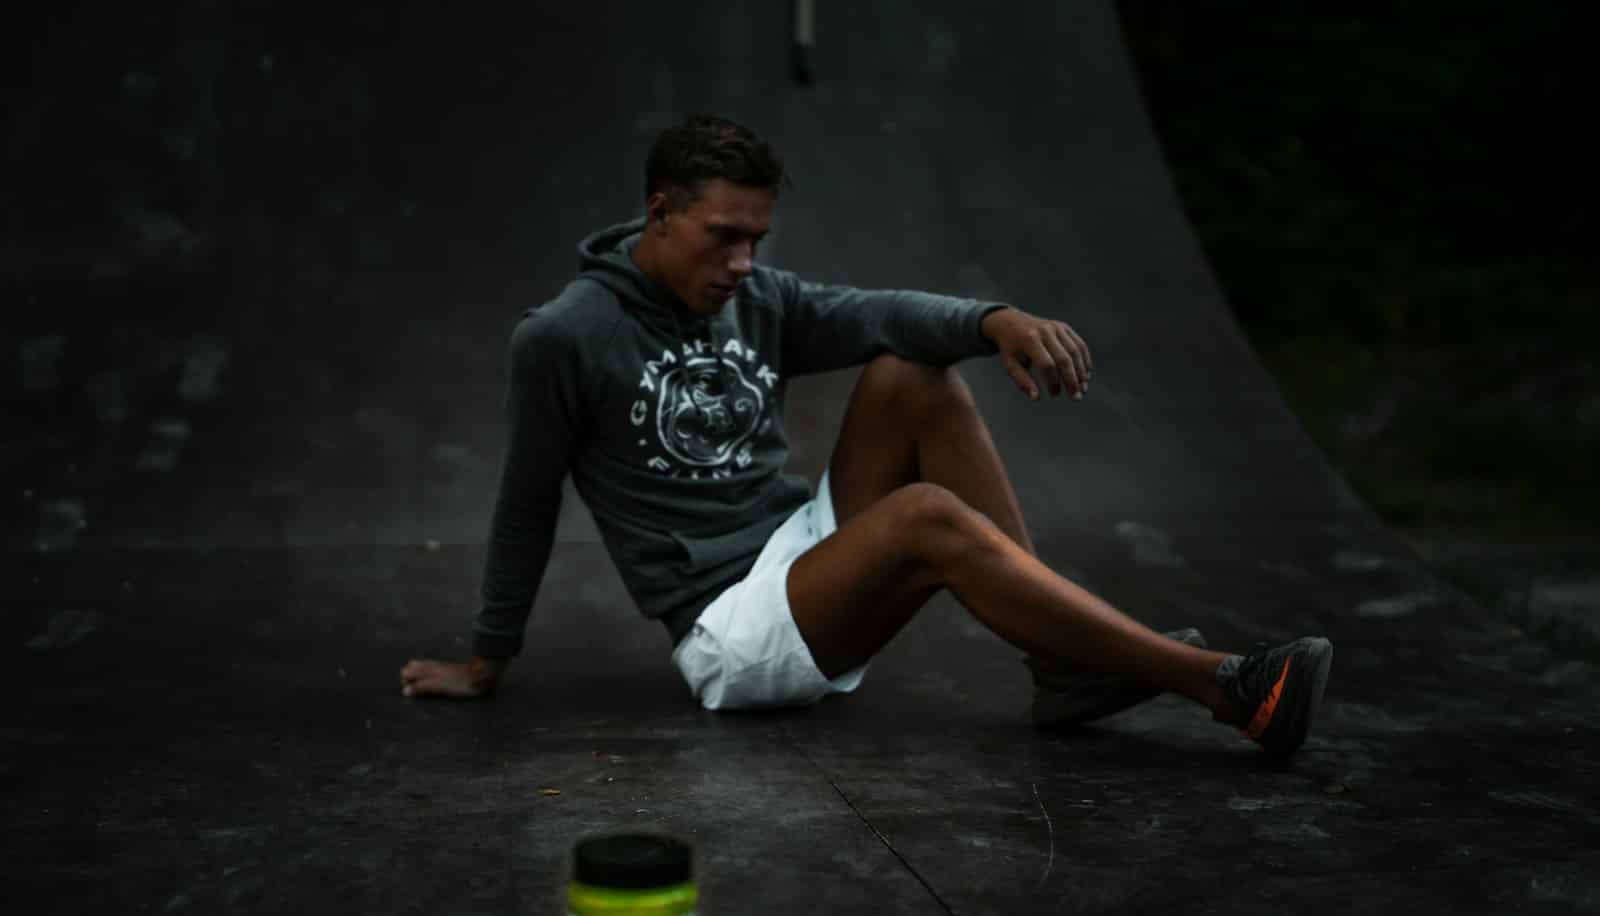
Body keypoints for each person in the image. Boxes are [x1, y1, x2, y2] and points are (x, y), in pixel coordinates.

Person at [399, 113, 1333, 758]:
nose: (742, 263)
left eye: (756, 238)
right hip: (731, 631)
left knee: (909, 373)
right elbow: (524, 501)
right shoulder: (563, 336)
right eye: (723, 236)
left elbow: (881, 313)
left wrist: (993, 318)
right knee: (927, 515)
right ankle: (1222, 686)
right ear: (658, 213)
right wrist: (486, 660)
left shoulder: (754, 298)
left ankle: (1065, 668)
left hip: (794, 552)